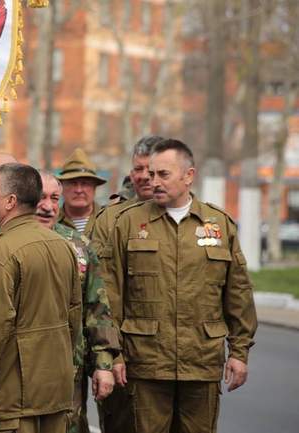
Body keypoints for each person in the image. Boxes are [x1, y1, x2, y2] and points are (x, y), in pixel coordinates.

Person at [106, 139, 257, 433]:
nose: (154, 182)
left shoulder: (219, 225)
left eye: (163, 174)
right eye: (151, 175)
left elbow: (238, 294)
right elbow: (111, 296)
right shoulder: (128, 223)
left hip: (201, 362)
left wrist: (239, 353)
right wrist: (114, 355)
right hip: (146, 364)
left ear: (189, 176)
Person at [0, 170, 119, 433]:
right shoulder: (61, 246)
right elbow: (74, 318)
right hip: (55, 391)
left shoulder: (1, 250)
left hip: (11, 393)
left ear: (10, 201)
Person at [90, 135, 163, 433]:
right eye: (138, 169)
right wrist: (109, 355)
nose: (144, 176)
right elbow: (100, 292)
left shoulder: (191, 218)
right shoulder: (110, 220)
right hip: (124, 353)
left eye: (152, 169)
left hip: (170, 357)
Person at [57, 148, 107, 238]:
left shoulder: (110, 221)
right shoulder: (50, 222)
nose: (79, 190)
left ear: (94, 188)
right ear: (61, 188)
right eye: (72, 183)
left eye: (85, 184)